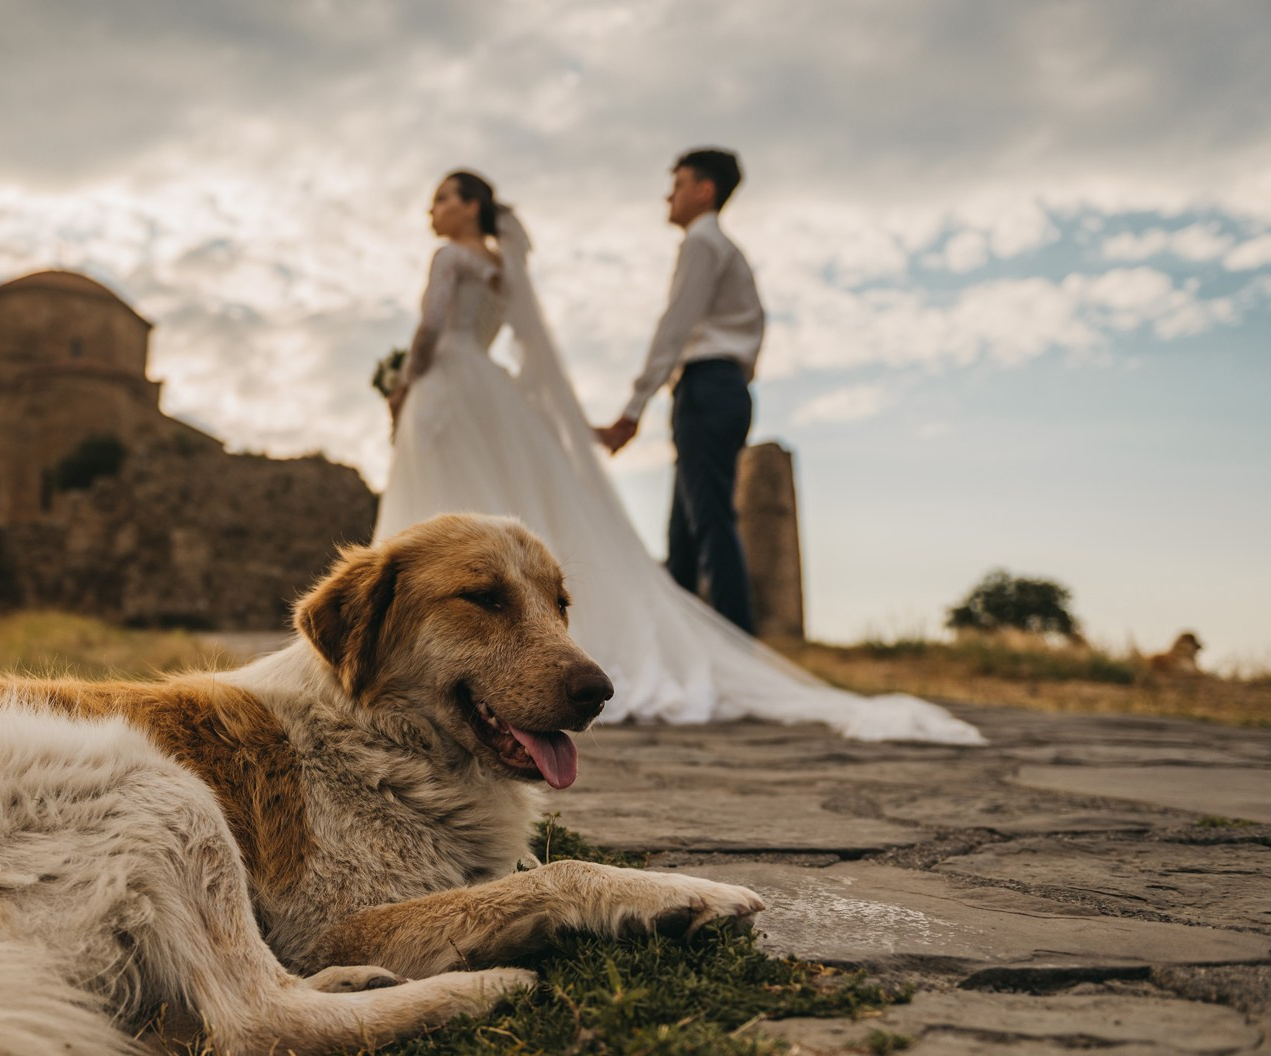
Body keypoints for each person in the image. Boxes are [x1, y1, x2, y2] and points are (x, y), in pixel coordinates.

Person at [374, 169, 981, 744]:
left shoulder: (451, 257)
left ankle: (407, 641)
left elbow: (431, 329)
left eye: (443, 198)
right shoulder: (505, 272)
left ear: (472, 205)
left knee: (445, 504)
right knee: (561, 509)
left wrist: (405, 382)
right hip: (495, 388)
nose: (434, 209)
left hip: (454, 384)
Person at [596, 148, 762, 634]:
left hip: (708, 387)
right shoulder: (722, 249)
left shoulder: (702, 243)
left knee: (709, 523)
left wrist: (632, 408)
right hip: (717, 388)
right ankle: (685, 648)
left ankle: (737, 648)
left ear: (704, 190)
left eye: (679, 183)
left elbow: (674, 328)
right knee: (685, 533)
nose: (669, 194)